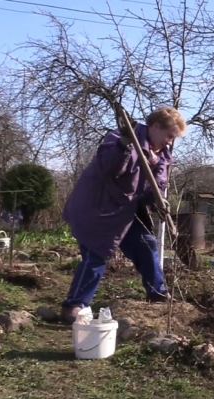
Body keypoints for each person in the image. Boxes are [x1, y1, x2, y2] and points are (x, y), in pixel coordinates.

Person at [60, 106, 187, 324]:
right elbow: (110, 168)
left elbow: (155, 185)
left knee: (146, 243)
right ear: (156, 126)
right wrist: (123, 146)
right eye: (169, 135)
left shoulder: (163, 155)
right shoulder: (121, 138)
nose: (170, 141)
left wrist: (158, 200)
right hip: (99, 207)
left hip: (126, 210)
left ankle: (157, 292)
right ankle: (74, 305)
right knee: (97, 254)